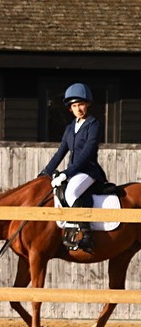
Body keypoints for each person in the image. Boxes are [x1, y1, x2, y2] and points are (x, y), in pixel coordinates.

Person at [40, 82, 107, 251]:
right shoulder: (70, 128)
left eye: (81, 104)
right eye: (75, 106)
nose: (78, 109)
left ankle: (87, 235)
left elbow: (87, 153)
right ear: (70, 108)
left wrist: (66, 173)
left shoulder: (93, 124)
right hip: (73, 172)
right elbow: (60, 152)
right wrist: (45, 173)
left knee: (71, 192)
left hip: (88, 170)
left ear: (88, 104)